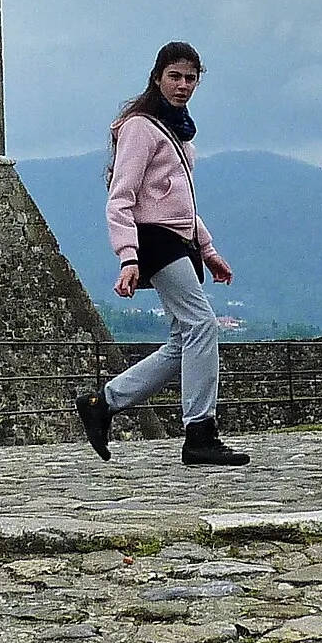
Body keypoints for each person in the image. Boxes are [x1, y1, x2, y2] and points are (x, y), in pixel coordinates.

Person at [76, 41, 248, 467]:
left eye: (191, 78)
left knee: (182, 340)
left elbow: (183, 204)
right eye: (175, 76)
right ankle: (200, 434)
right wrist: (128, 256)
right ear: (157, 78)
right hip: (154, 239)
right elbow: (121, 198)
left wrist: (208, 250)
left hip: (178, 241)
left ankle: (103, 403)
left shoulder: (178, 135)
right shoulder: (140, 128)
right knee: (202, 325)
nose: (183, 85)